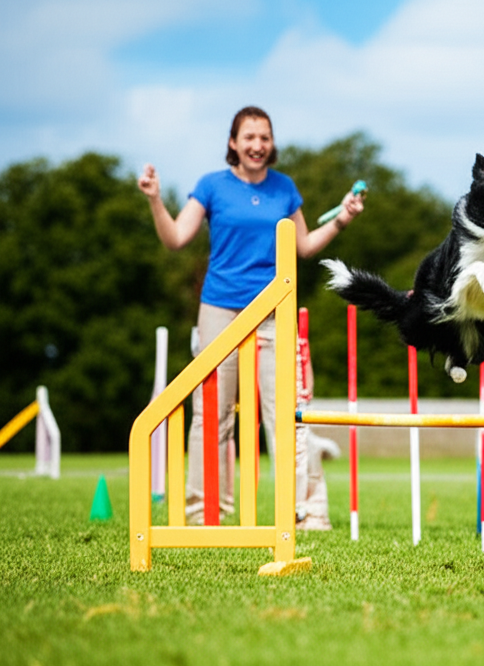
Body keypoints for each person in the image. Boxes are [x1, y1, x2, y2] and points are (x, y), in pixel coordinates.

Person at [139, 105, 364, 526]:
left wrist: (343, 219)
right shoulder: (211, 186)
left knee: (288, 414)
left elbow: (305, 246)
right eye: (249, 137)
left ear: (271, 142)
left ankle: (305, 512)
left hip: (274, 310)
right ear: (233, 142)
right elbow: (175, 239)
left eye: (264, 137)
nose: (257, 145)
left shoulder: (285, 189)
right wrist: (155, 199)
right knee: (212, 414)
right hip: (220, 308)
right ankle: (204, 513)